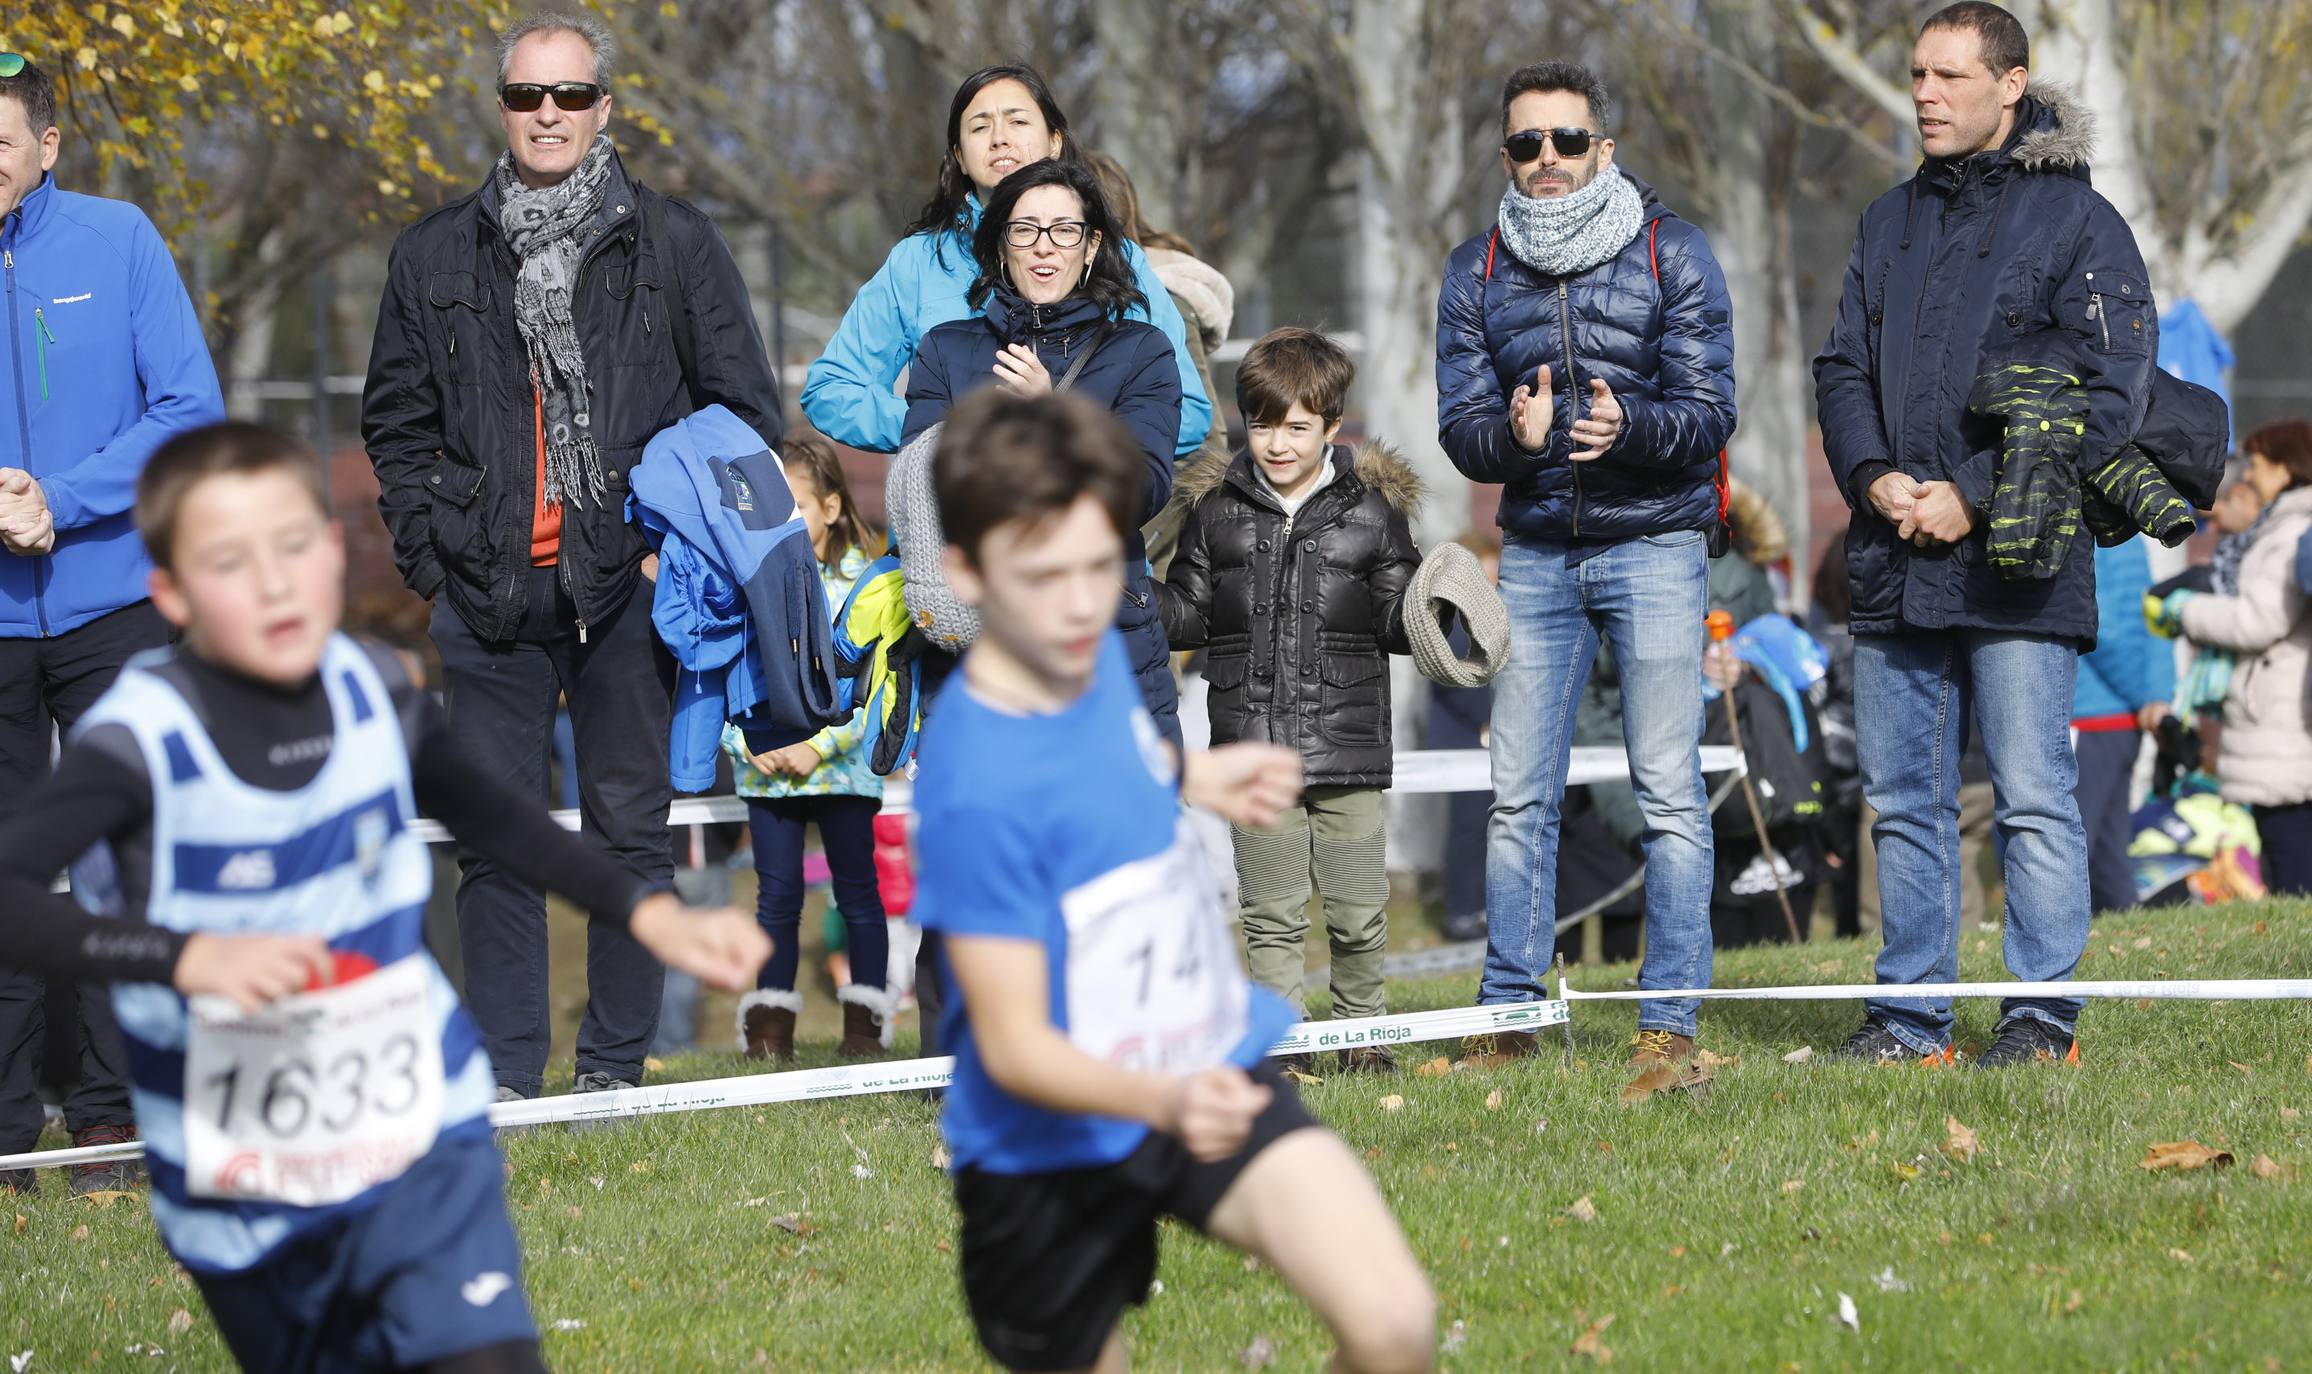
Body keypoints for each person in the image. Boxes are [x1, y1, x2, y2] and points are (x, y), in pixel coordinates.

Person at [0, 420, 769, 1373]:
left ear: (330, 553)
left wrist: (647, 910)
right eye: (229, 563)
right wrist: (184, 958)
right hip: (247, 1173)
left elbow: (500, 818)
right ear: (170, 593)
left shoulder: (375, 693)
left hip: (415, 1123)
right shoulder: (136, 744)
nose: (274, 582)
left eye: (292, 547)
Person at [913, 387, 1435, 1374]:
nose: (1078, 604)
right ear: (966, 573)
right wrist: (1157, 1105)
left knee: (1393, 1324)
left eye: (1096, 565)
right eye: (1042, 576)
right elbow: (1015, 1044)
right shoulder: (973, 784)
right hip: (1043, 1152)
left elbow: (1106, 761)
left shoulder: (1084, 652)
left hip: (1198, 1060)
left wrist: (1191, 774)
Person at [361, 12, 785, 1105]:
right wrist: (431, 555)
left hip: (626, 591)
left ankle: (610, 1070)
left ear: (604, 105)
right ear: (501, 109)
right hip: (484, 595)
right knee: (494, 846)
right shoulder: (433, 252)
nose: (545, 114)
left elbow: (741, 412)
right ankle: (508, 1074)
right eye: (524, 97)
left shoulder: (673, 241)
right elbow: (395, 426)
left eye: (566, 94)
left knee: (627, 839)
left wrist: (665, 554)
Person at [1814, 2, 2164, 1066]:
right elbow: (1838, 368)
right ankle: (1906, 1018)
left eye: (1947, 77)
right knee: (1903, 804)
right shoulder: (1884, 221)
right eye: (1915, 74)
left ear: (2010, 85)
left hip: (2016, 556)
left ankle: (2038, 1017)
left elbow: (2108, 395)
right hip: (1890, 559)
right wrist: (1873, 478)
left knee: (2029, 800)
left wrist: (1969, 490)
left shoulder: (2077, 224)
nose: (1923, 93)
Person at [1434, 61, 1736, 1081]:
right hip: (1533, 557)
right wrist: (1514, 443)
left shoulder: (1672, 250)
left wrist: (1631, 426)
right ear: (1506, 156)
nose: (1546, 161)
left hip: (1653, 546)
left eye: (1566, 141)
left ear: (1602, 148)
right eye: (1525, 144)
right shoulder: (1471, 271)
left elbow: (1708, 413)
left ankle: (1669, 1024)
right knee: (1516, 796)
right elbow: (1460, 432)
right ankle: (1508, 1016)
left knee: (1665, 794)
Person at [0, 54, 226, 1197]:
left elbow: (191, 410)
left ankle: (111, 1124)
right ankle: (2, 1139)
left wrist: (63, 499)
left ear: (47, 147)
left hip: (110, 603)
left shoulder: (119, 238)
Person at [1159, 328, 1421, 1074]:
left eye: (1298, 426)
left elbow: (1401, 619)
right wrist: (1133, 598)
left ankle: (1362, 1041)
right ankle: (1282, 1049)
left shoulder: (1371, 510)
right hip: (1251, 744)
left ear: (1333, 427)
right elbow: (1190, 611)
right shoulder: (1215, 511)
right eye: (1264, 423)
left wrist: (1438, 614)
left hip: (1349, 745)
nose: (1277, 442)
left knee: (1358, 917)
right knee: (1270, 917)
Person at [900, 158, 1185, 744]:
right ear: (1001, 245)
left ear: (1091, 245)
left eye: (1064, 229)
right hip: (980, 645)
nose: (1043, 247)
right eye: (1024, 229)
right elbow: (922, 487)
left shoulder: (1141, 351)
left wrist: (1053, 413)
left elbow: (1142, 490)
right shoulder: (946, 350)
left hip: (1107, 636)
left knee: (1122, 832)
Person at [801, 64, 1210, 463]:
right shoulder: (916, 262)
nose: (999, 139)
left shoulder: (1112, 255)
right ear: (959, 156)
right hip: (942, 518)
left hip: (1071, 516)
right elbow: (831, 390)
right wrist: (949, 430)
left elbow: (1188, 414)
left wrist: (1058, 422)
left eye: (1017, 122)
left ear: (1054, 140)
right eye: (980, 127)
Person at [727, 433, 893, 1060]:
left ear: (829, 508)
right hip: (767, 770)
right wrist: (745, 744)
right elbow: (720, 674)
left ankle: (865, 1028)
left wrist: (821, 747)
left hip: (843, 770)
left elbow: (878, 682)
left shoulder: (867, 582)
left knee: (857, 892)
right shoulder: (745, 580)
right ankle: (770, 1032)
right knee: (776, 899)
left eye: (793, 505)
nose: (782, 521)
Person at [2147, 420, 2312, 896]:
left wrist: (2189, 612)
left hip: (2282, 722)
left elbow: (2260, 620)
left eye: (2257, 466)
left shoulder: (2293, 532)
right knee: (2280, 849)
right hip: (2270, 716)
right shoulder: (2282, 526)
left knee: (2292, 850)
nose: (2249, 477)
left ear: (2285, 469)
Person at [2070, 537, 2175, 914]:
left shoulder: (2102, 532)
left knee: (2069, 852)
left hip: (2093, 714)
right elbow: (2150, 617)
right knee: (2108, 856)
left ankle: (2058, 954)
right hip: (2119, 717)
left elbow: (2106, 624)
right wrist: (2153, 695)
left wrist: (2145, 698)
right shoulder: (2131, 532)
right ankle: (2130, 940)